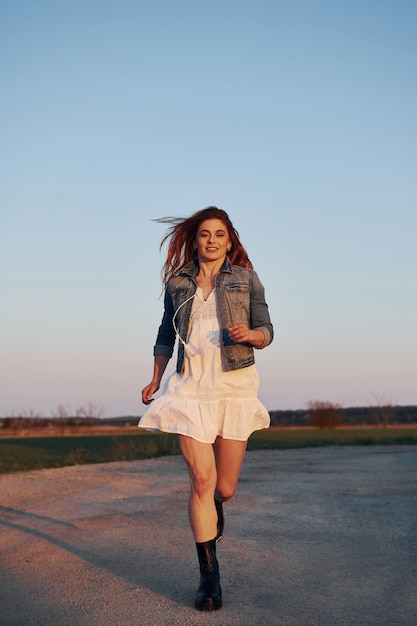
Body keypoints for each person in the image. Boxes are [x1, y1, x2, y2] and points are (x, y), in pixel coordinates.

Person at [139, 206, 273, 611]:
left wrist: (251, 334)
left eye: (219, 234)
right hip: (189, 389)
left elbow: (268, 331)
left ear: (229, 241)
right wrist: (156, 376)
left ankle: (214, 510)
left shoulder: (246, 280)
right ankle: (209, 578)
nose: (211, 240)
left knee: (223, 489)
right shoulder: (178, 283)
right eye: (204, 234)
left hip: (234, 386)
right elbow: (166, 333)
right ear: (195, 240)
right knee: (201, 480)